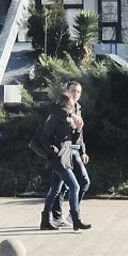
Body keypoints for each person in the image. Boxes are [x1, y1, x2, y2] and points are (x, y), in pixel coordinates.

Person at [39, 91, 91, 230]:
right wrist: (54, 153)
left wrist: (79, 130)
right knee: (75, 186)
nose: (72, 108)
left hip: (65, 158)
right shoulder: (55, 117)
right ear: (64, 104)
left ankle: (45, 221)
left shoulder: (67, 118)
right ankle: (76, 220)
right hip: (59, 159)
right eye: (70, 105)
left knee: (55, 189)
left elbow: (71, 141)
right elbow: (44, 139)